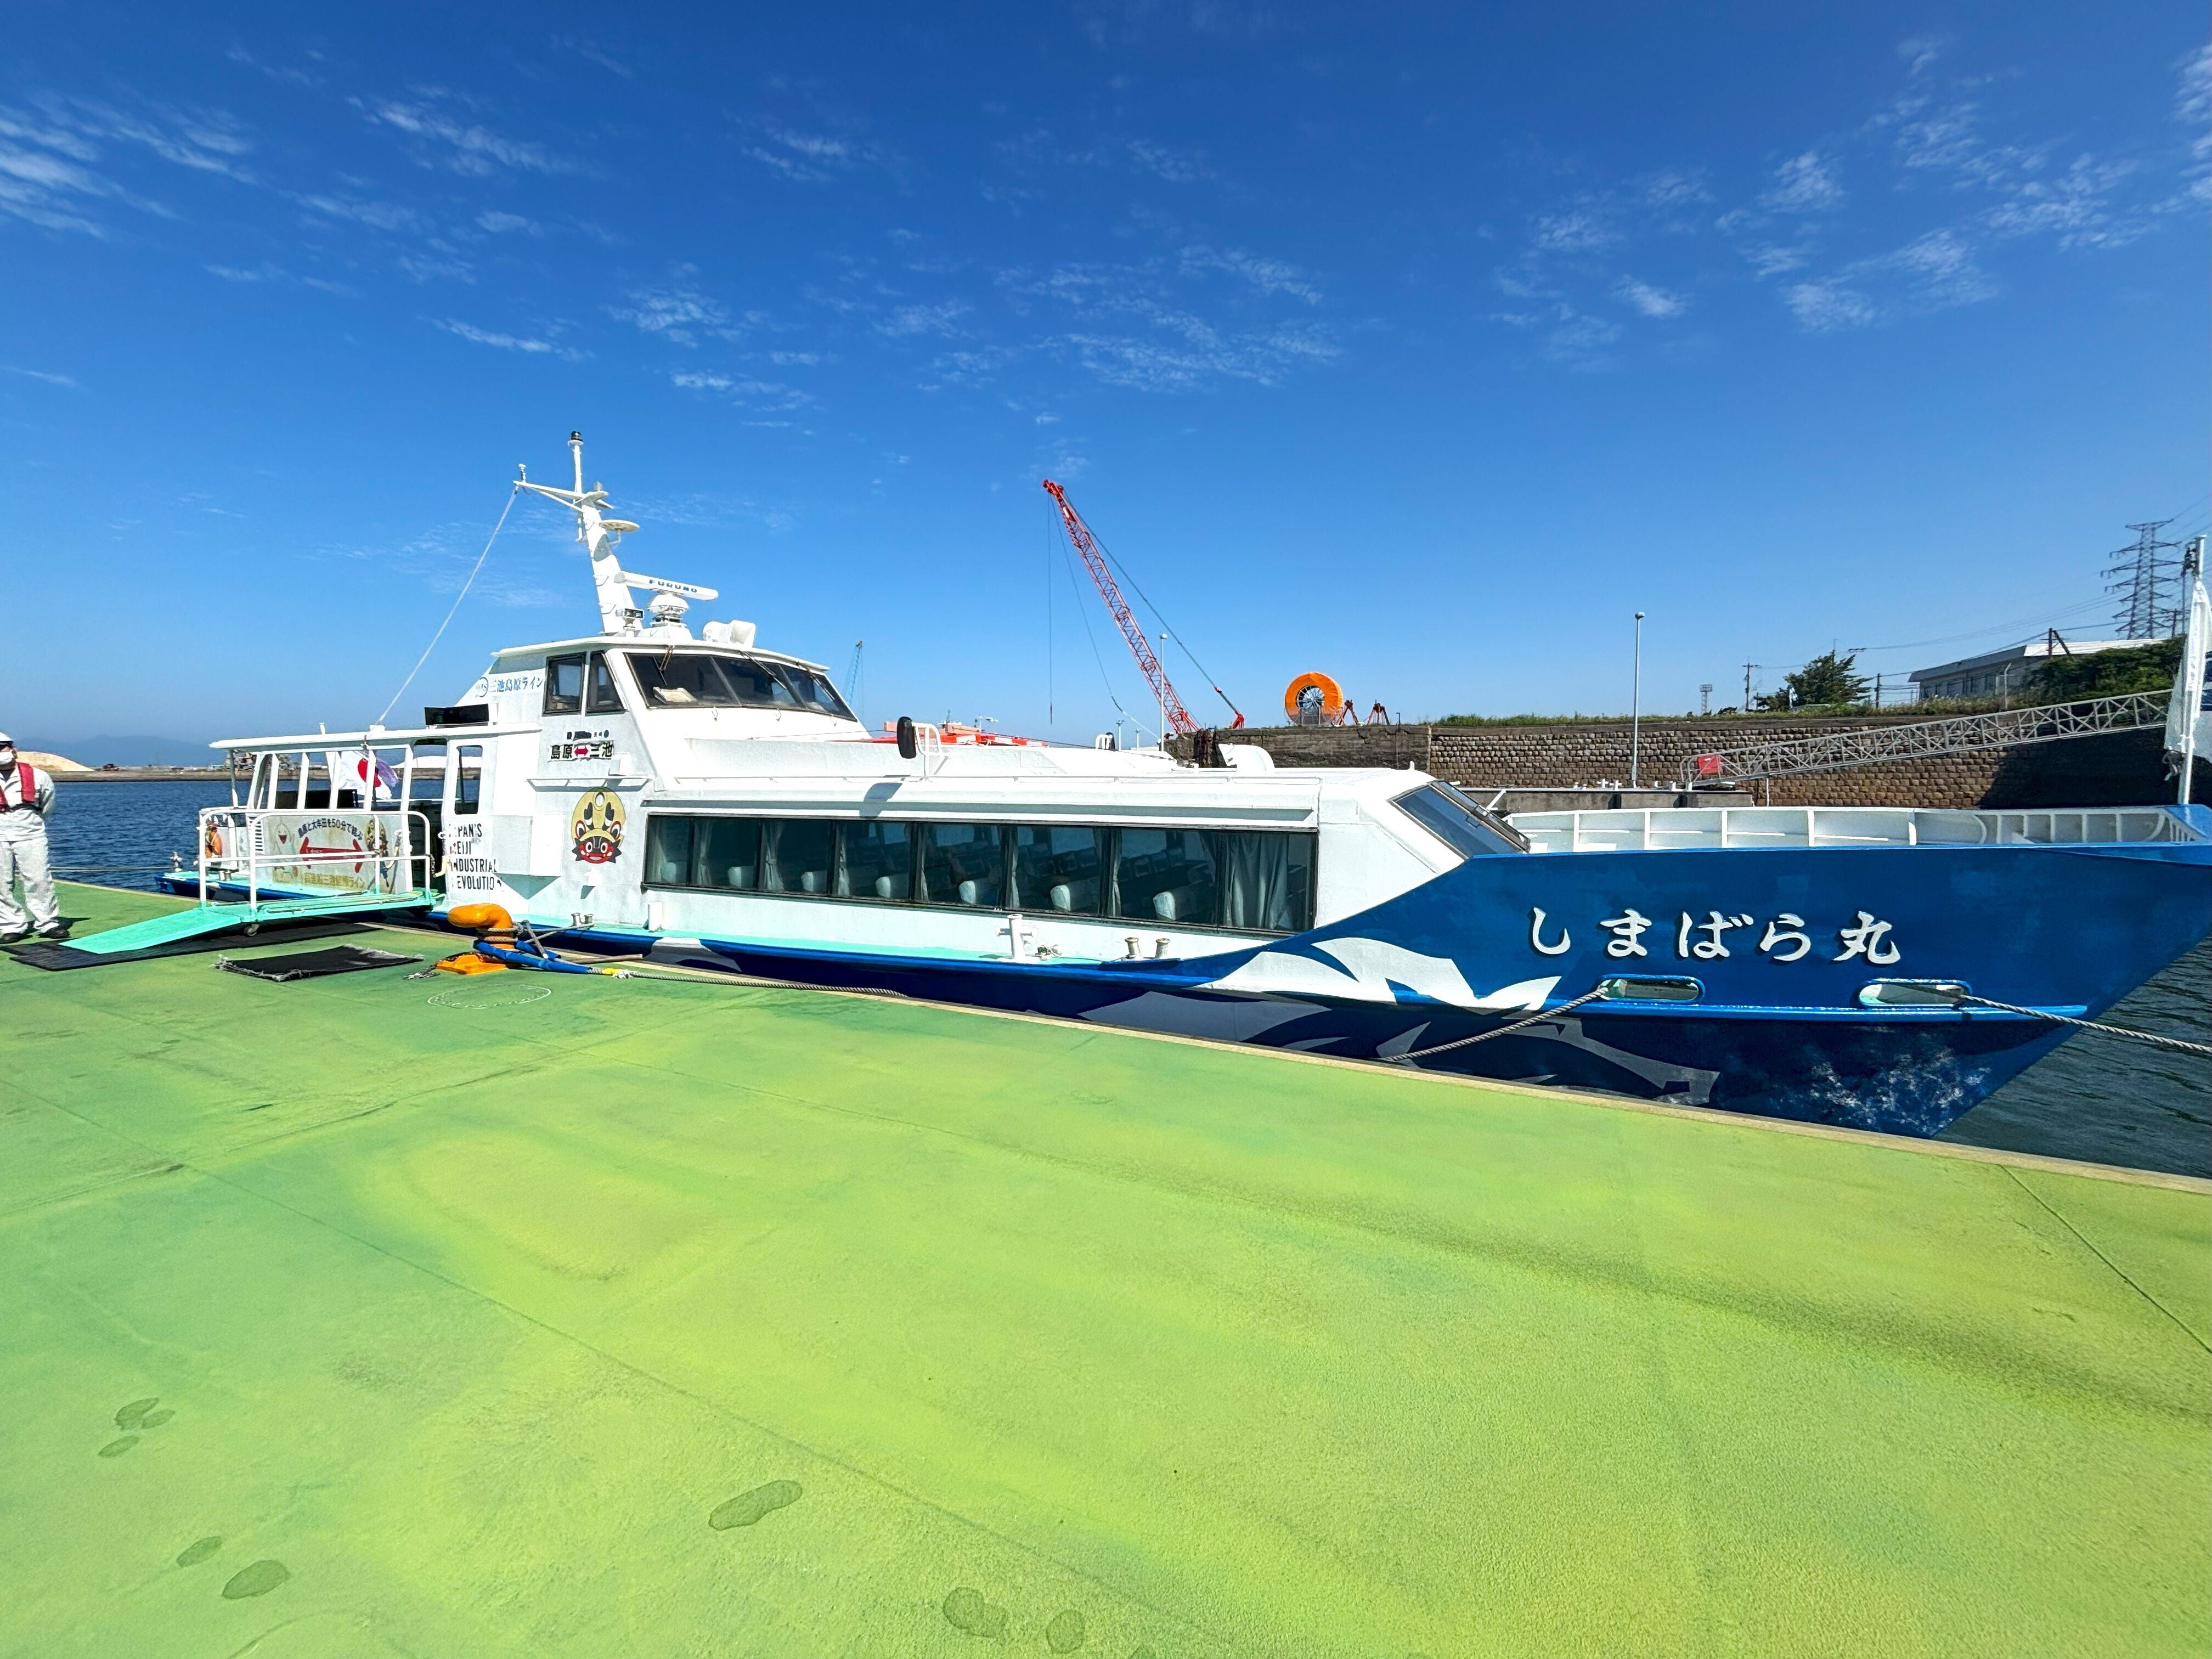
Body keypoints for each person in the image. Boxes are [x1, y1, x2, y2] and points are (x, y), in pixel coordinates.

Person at [0, 732, 63, 943]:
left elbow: (48, 805)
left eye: (2, 747)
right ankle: (11, 925)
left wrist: (33, 822)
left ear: (12, 748)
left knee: (39, 879)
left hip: (30, 833)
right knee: (2, 883)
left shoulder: (39, 776)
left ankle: (48, 923)